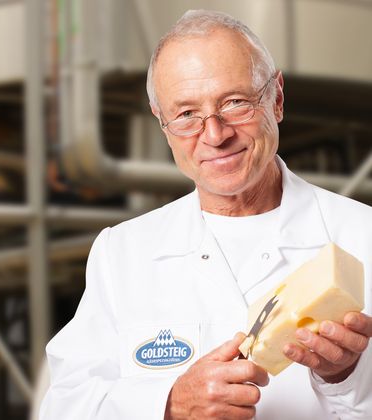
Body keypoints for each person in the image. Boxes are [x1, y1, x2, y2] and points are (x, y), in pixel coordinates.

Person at [40, 9, 372, 420]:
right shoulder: (121, 252)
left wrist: (347, 378)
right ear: (161, 122)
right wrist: (168, 405)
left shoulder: (363, 236)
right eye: (186, 115)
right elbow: (61, 407)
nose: (214, 135)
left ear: (277, 99)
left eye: (235, 103)